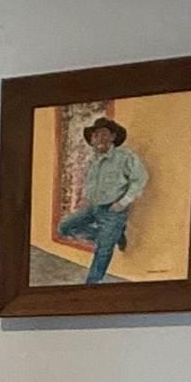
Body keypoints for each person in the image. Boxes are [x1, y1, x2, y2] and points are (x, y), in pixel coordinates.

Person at [53, 112, 147, 283]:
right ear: (92, 140)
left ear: (113, 137)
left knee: (103, 250)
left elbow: (140, 179)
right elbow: (90, 182)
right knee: (64, 227)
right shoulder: (93, 160)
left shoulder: (125, 157)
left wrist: (122, 203)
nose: (99, 138)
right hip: (93, 207)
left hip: (113, 211)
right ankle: (115, 235)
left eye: (104, 133)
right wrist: (86, 198)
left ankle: (91, 284)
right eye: (95, 135)